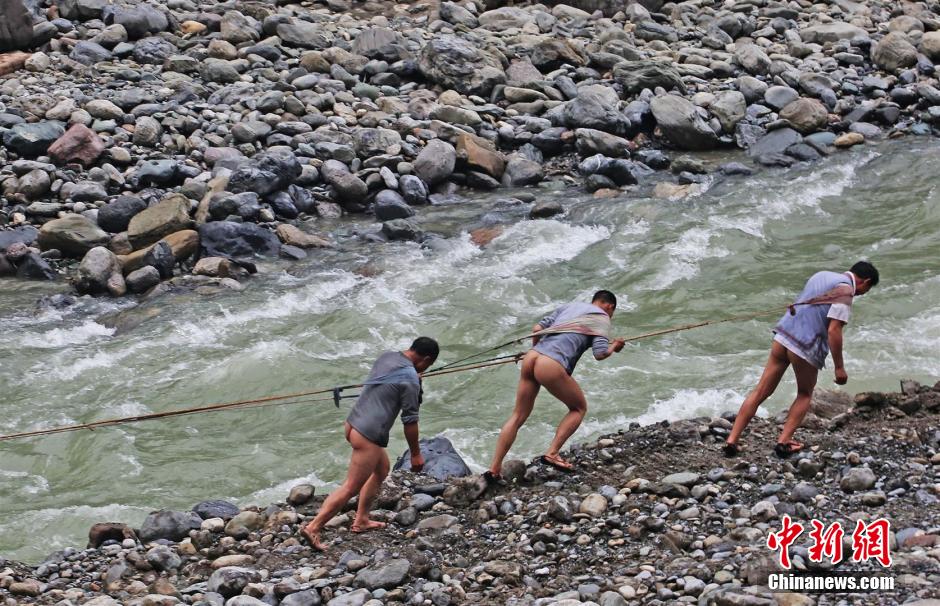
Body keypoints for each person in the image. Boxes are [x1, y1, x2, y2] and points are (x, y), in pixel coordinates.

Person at [724, 261, 879, 458]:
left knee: (760, 391)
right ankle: (784, 442)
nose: (861, 294)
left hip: (783, 335)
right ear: (866, 281)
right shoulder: (846, 291)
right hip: (804, 345)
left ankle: (732, 440)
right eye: (866, 290)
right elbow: (834, 330)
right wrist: (839, 368)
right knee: (805, 394)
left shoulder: (821, 275)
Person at [300, 337, 439, 550]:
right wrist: (415, 454)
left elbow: (395, 381)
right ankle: (313, 527)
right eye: (428, 366)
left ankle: (362, 519)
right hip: (369, 434)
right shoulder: (410, 378)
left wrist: (415, 378)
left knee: (381, 470)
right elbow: (410, 421)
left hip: (353, 423)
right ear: (426, 360)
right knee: (350, 487)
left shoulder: (388, 357)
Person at [486, 291, 626, 479]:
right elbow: (600, 354)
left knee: (518, 415)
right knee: (579, 408)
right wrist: (614, 346)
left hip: (532, 357)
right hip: (550, 363)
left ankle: (494, 470)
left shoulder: (570, 306)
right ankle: (552, 453)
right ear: (609, 306)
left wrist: (535, 349)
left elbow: (537, 328)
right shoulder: (601, 318)